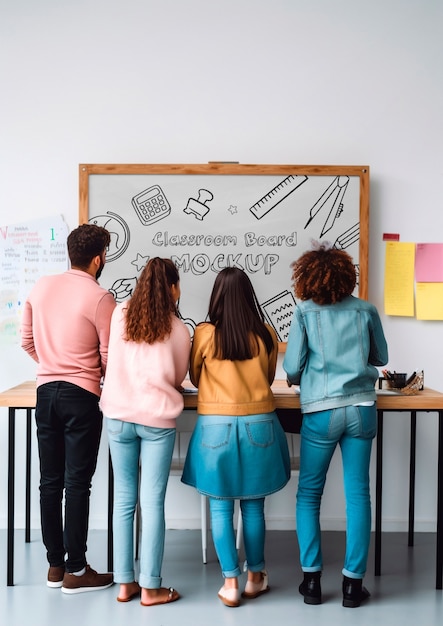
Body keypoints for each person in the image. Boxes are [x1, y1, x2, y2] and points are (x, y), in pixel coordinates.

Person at [283, 241, 388, 608]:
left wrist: (303, 374)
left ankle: (312, 582)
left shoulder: (304, 312)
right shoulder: (365, 310)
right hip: (361, 409)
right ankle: (352, 586)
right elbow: (381, 357)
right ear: (346, 275)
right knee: (358, 495)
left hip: (321, 412)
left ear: (307, 276)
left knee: (309, 495)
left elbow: (293, 368)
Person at [181, 267, 291, 608]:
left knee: (220, 508)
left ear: (216, 296)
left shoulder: (203, 334)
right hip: (259, 423)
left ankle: (230, 582)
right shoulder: (267, 334)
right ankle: (256, 577)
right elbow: (271, 376)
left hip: (216, 426)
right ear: (249, 296)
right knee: (254, 506)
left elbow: (196, 378)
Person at [20, 223, 116, 593]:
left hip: (45, 392)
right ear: (97, 259)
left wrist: (51, 362)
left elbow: (27, 339)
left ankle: (55, 566)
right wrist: (89, 372)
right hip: (82, 395)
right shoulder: (100, 296)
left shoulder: (42, 286)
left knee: (49, 481)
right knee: (77, 483)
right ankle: (77, 569)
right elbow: (108, 355)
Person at [100, 257, 191, 607]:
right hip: (156, 421)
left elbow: (112, 360)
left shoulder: (120, 314)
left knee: (124, 500)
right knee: (151, 502)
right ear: (171, 288)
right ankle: (151, 587)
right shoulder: (180, 330)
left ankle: (125, 584)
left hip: (118, 418)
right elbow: (181, 376)